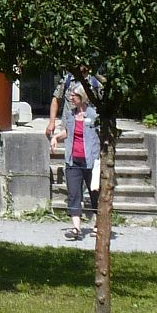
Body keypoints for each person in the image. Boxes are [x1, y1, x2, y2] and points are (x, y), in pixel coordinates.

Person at [55, 85, 99, 239]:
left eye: (74, 95)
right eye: (71, 95)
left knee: (95, 194)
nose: (71, 98)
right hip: (73, 161)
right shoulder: (70, 115)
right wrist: (55, 138)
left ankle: (98, 225)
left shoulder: (94, 115)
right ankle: (76, 229)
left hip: (91, 162)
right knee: (74, 194)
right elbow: (67, 132)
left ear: (82, 97)